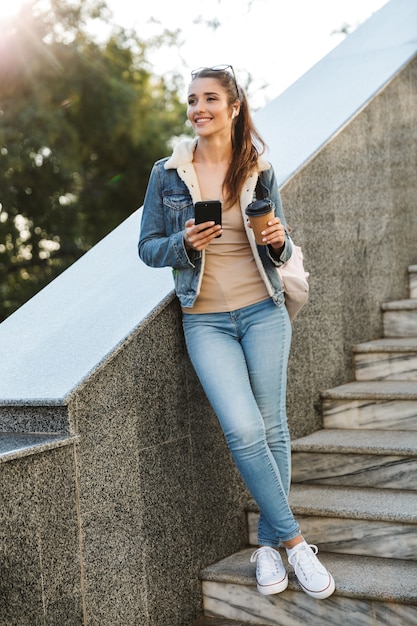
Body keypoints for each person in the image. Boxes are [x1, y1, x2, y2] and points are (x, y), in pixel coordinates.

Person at [138, 64, 335, 601]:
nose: (197, 108)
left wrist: (277, 240)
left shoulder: (258, 168)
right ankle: (296, 542)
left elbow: (282, 248)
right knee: (244, 430)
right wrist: (184, 242)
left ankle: (268, 547)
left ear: (233, 106)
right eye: (191, 99)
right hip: (204, 319)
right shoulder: (167, 174)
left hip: (263, 310)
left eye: (208, 99)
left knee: (272, 427)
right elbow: (147, 247)